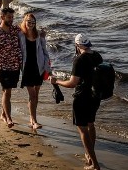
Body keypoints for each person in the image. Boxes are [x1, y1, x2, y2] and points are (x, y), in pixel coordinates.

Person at [51, 34, 104, 170]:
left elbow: (72, 83)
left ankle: (94, 164)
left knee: (82, 130)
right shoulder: (97, 56)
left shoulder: (79, 60)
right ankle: (89, 154)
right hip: (95, 96)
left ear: (77, 45)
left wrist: (57, 81)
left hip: (82, 98)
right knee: (91, 124)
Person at [19, 13, 51, 129]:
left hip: (39, 68)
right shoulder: (20, 34)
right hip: (27, 68)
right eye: (29, 22)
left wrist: (47, 68)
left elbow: (45, 52)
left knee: (35, 96)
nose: (31, 24)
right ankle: (34, 121)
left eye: (33, 22)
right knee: (32, 96)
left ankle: (31, 119)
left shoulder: (39, 35)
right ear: (24, 21)